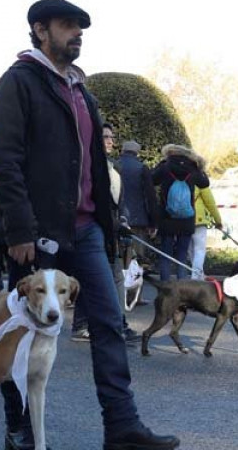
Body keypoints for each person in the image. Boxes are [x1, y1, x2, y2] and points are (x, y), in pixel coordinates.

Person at [0, 0, 179, 449]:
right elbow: (5, 160)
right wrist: (18, 230)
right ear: (40, 30)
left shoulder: (81, 90)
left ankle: (122, 426)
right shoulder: (18, 83)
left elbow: (94, 162)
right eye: (67, 25)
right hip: (37, 232)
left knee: (110, 323)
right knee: (22, 332)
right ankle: (17, 425)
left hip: (88, 227)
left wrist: (111, 221)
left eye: (80, 27)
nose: (77, 33)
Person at [72, 123, 141, 343]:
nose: (110, 141)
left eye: (111, 137)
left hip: (112, 232)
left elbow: (119, 202)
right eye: (105, 137)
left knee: (107, 277)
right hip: (93, 232)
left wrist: (123, 219)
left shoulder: (114, 168)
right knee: (108, 278)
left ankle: (91, 324)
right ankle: (112, 323)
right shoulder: (87, 167)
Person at [151, 144, 210, 281]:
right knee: (182, 255)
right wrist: (199, 167)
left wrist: (159, 166)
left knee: (166, 254)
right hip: (187, 218)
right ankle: (182, 287)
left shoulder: (165, 166)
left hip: (167, 217)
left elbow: (152, 179)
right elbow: (204, 183)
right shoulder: (192, 167)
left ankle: (165, 286)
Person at [189, 179, 222, 281]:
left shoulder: (180, 177)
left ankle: (200, 275)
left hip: (182, 220)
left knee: (190, 251)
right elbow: (210, 202)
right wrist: (218, 220)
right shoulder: (200, 180)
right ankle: (195, 278)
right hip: (198, 221)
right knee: (199, 250)